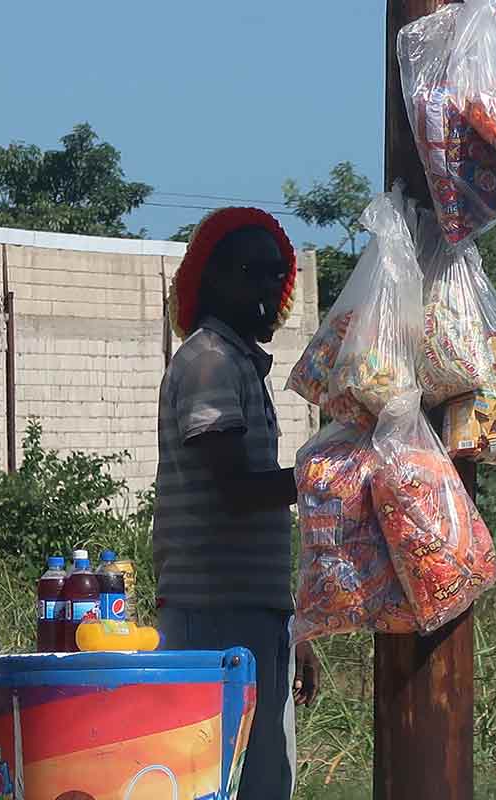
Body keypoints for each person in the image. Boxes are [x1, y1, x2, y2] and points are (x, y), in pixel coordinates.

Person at [153, 207, 319, 799]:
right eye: (254, 272)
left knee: (265, 778)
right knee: (224, 783)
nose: (270, 288)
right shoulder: (209, 363)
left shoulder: (240, 364)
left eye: (278, 274)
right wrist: (324, 474)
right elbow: (235, 490)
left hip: (249, 611)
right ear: (214, 281)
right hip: (214, 614)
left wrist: (292, 630)